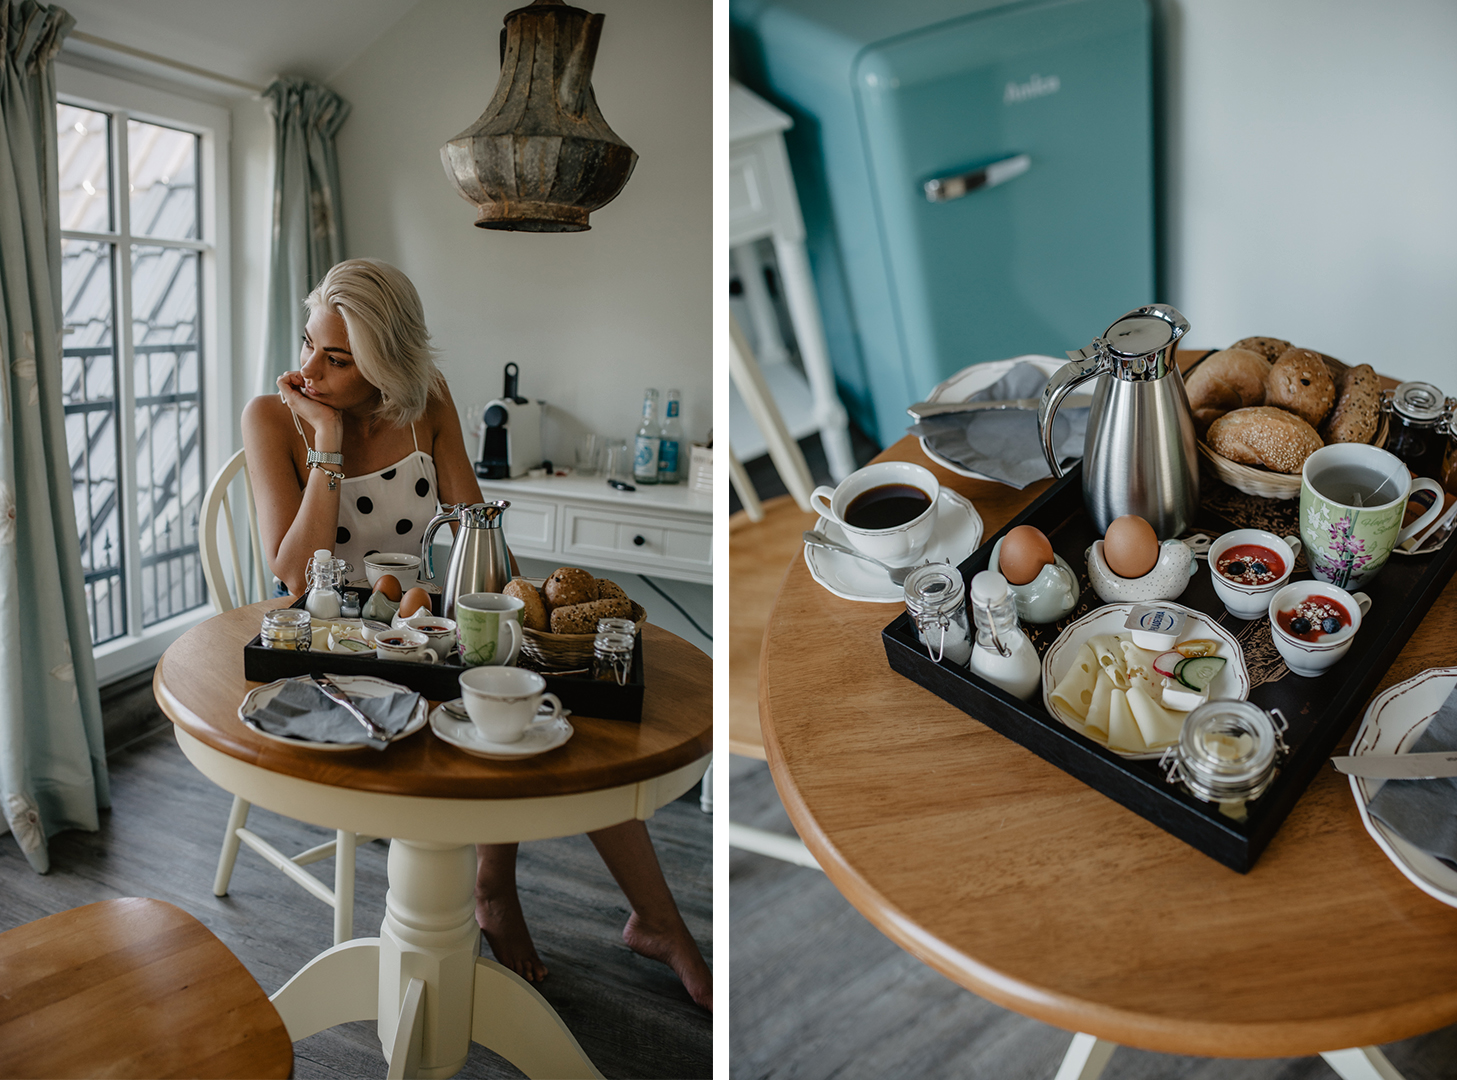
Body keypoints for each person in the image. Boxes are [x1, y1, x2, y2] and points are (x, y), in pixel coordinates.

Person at [242, 258, 712, 1010]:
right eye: (308, 345)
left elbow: (475, 527)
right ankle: (493, 889)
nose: (309, 370)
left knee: (564, 710)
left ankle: (656, 922)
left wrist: (523, 607)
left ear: (385, 359)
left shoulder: (426, 401)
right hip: (343, 647)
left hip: (433, 624)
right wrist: (327, 441)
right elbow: (295, 576)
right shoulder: (276, 418)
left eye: (337, 357)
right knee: (500, 719)